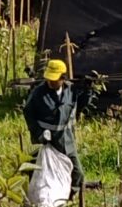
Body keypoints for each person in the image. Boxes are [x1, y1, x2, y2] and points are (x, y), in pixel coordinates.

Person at [24, 57, 81, 187]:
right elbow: (28, 113)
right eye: (49, 78)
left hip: (67, 140)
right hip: (49, 141)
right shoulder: (38, 93)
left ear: (63, 78)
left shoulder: (71, 91)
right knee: (39, 171)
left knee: (78, 175)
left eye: (55, 79)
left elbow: (81, 105)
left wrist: (89, 90)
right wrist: (39, 133)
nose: (51, 81)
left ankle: (68, 200)